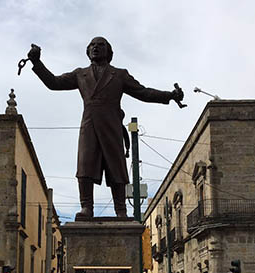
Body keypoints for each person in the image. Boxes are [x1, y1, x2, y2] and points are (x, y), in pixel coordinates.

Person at [27, 37, 184, 219]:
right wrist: (36, 62)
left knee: (116, 167)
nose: (95, 47)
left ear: (109, 52)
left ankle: (121, 210)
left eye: (100, 45)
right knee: (85, 166)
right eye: (92, 45)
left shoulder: (119, 75)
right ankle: (86, 207)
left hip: (111, 126)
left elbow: (143, 92)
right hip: (89, 125)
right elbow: (53, 83)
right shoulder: (80, 74)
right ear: (88, 51)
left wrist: (170, 96)